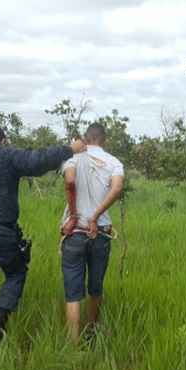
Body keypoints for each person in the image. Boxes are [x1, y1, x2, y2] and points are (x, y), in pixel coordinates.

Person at [0, 125, 86, 347]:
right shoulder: (6, 155)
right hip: (1, 231)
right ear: (3, 140)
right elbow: (39, 160)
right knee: (16, 271)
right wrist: (71, 149)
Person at [59, 123, 125, 343]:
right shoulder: (114, 162)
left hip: (74, 231)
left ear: (85, 139)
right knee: (96, 287)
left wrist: (75, 216)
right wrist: (96, 216)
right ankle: (93, 331)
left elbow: (69, 182)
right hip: (101, 233)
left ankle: (73, 342)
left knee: (72, 291)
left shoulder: (72, 159)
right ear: (103, 140)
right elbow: (116, 189)